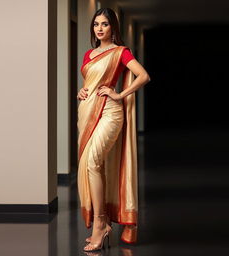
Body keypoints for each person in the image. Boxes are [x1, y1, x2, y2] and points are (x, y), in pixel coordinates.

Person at [77, 7, 151, 252]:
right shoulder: (89, 55)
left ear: (113, 28)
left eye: (105, 24)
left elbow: (143, 76)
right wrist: (82, 91)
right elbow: (90, 83)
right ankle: (104, 221)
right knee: (93, 165)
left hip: (110, 113)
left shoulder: (120, 52)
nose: (99, 28)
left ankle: (100, 225)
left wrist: (119, 94)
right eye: (96, 24)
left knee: (93, 162)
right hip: (87, 112)